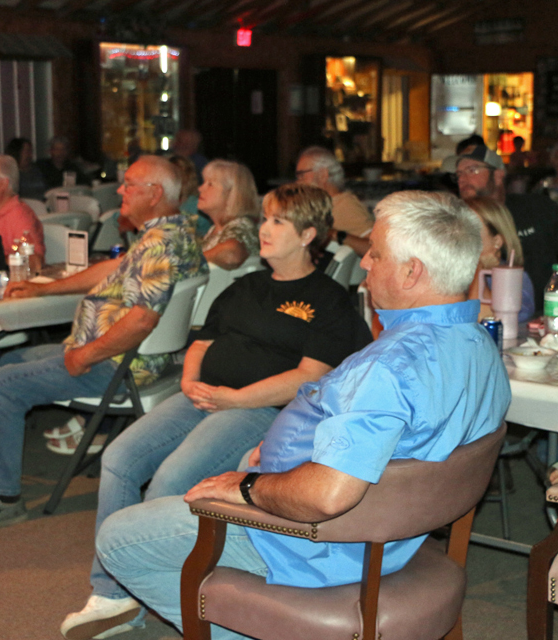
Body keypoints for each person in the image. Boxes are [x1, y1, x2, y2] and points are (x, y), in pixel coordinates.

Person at [93, 191, 511, 640]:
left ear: (412, 272)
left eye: (376, 253)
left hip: (316, 541)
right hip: (396, 533)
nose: (364, 262)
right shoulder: (480, 346)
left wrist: (247, 487)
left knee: (118, 537)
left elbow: (328, 496)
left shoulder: (388, 367)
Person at [60, 183, 373, 640]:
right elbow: (202, 342)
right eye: (265, 219)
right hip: (202, 397)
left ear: (308, 235)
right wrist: (190, 382)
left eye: (278, 222)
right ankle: (113, 593)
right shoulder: (246, 285)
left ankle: (157, 591)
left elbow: (309, 376)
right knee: (119, 458)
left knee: (172, 477)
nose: (264, 229)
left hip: (258, 411)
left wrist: (234, 398)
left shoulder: (328, 299)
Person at [0, 155, 207, 533]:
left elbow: (142, 320)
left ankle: (2, 499)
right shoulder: (172, 233)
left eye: (130, 184)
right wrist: (45, 289)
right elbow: (111, 270)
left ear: (154, 193)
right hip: (130, 359)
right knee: (10, 360)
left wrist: (85, 355)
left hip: (117, 365)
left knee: (3, 384)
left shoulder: (159, 245)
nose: (120, 189)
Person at [442, 142, 558, 312]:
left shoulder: (537, 208)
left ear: (497, 175)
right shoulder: (455, 221)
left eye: (472, 170)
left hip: (544, 312)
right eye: (458, 174)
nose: (462, 179)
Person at [466, 196, 535, 323]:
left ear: (497, 241)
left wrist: (478, 268)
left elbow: (490, 320)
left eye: (471, 230)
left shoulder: (515, 279)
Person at [295, 146, 372, 256]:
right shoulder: (325, 205)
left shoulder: (345, 205)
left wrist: (333, 234)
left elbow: (376, 248)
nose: (298, 182)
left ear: (322, 175)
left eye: (302, 175)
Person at [199, 160, 260, 270]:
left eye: (210, 184)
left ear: (231, 193)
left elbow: (231, 254)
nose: (200, 188)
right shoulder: (216, 229)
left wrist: (188, 261)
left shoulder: (241, 225)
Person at [170, 155, 211, 238]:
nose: (172, 179)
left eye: (178, 174)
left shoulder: (197, 205)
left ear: (188, 177)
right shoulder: (165, 203)